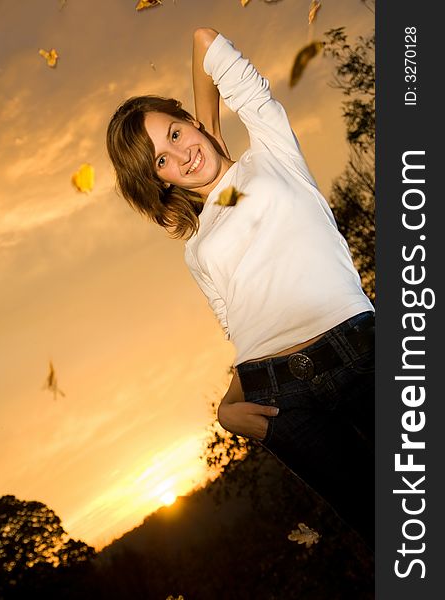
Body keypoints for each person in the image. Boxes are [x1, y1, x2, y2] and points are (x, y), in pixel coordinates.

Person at [107, 28, 375, 548]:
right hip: (284, 399)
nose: (179, 157)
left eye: (175, 135)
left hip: (362, 352)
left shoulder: (270, 151)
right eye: (162, 161)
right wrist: (228, 410)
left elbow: (204, 41)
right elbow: (244, 329)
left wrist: (207, 132)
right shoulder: (197, 248)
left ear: (192, 120)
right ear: (160, 182)